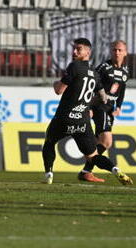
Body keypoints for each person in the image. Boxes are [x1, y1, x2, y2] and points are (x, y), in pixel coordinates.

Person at [42, 38, 133, 185]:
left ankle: (49, 175)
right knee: (95, 154)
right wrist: (91, 106)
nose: (74, 52)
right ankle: (115, 169)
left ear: (87, 52)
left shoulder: (74, 66)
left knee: (49, 142)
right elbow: (102, 95)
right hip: (83, 121)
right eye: (74, 49)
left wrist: (55, 83)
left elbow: (59, 90)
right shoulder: (97, 71)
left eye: (78, 49)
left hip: (65, 117)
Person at [78, 40, 129, 182]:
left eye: (119, 50)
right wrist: (88, 106)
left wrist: (118, 107)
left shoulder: (125, 71)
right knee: (106, 141)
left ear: (125, 52)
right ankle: (88, 166)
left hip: (109, 109)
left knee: (98, 142)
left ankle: (86, 170)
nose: (116, 52)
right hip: (99, 106)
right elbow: (91, 85)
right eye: (114, 50)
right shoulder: (104, 68)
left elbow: (122, 90)